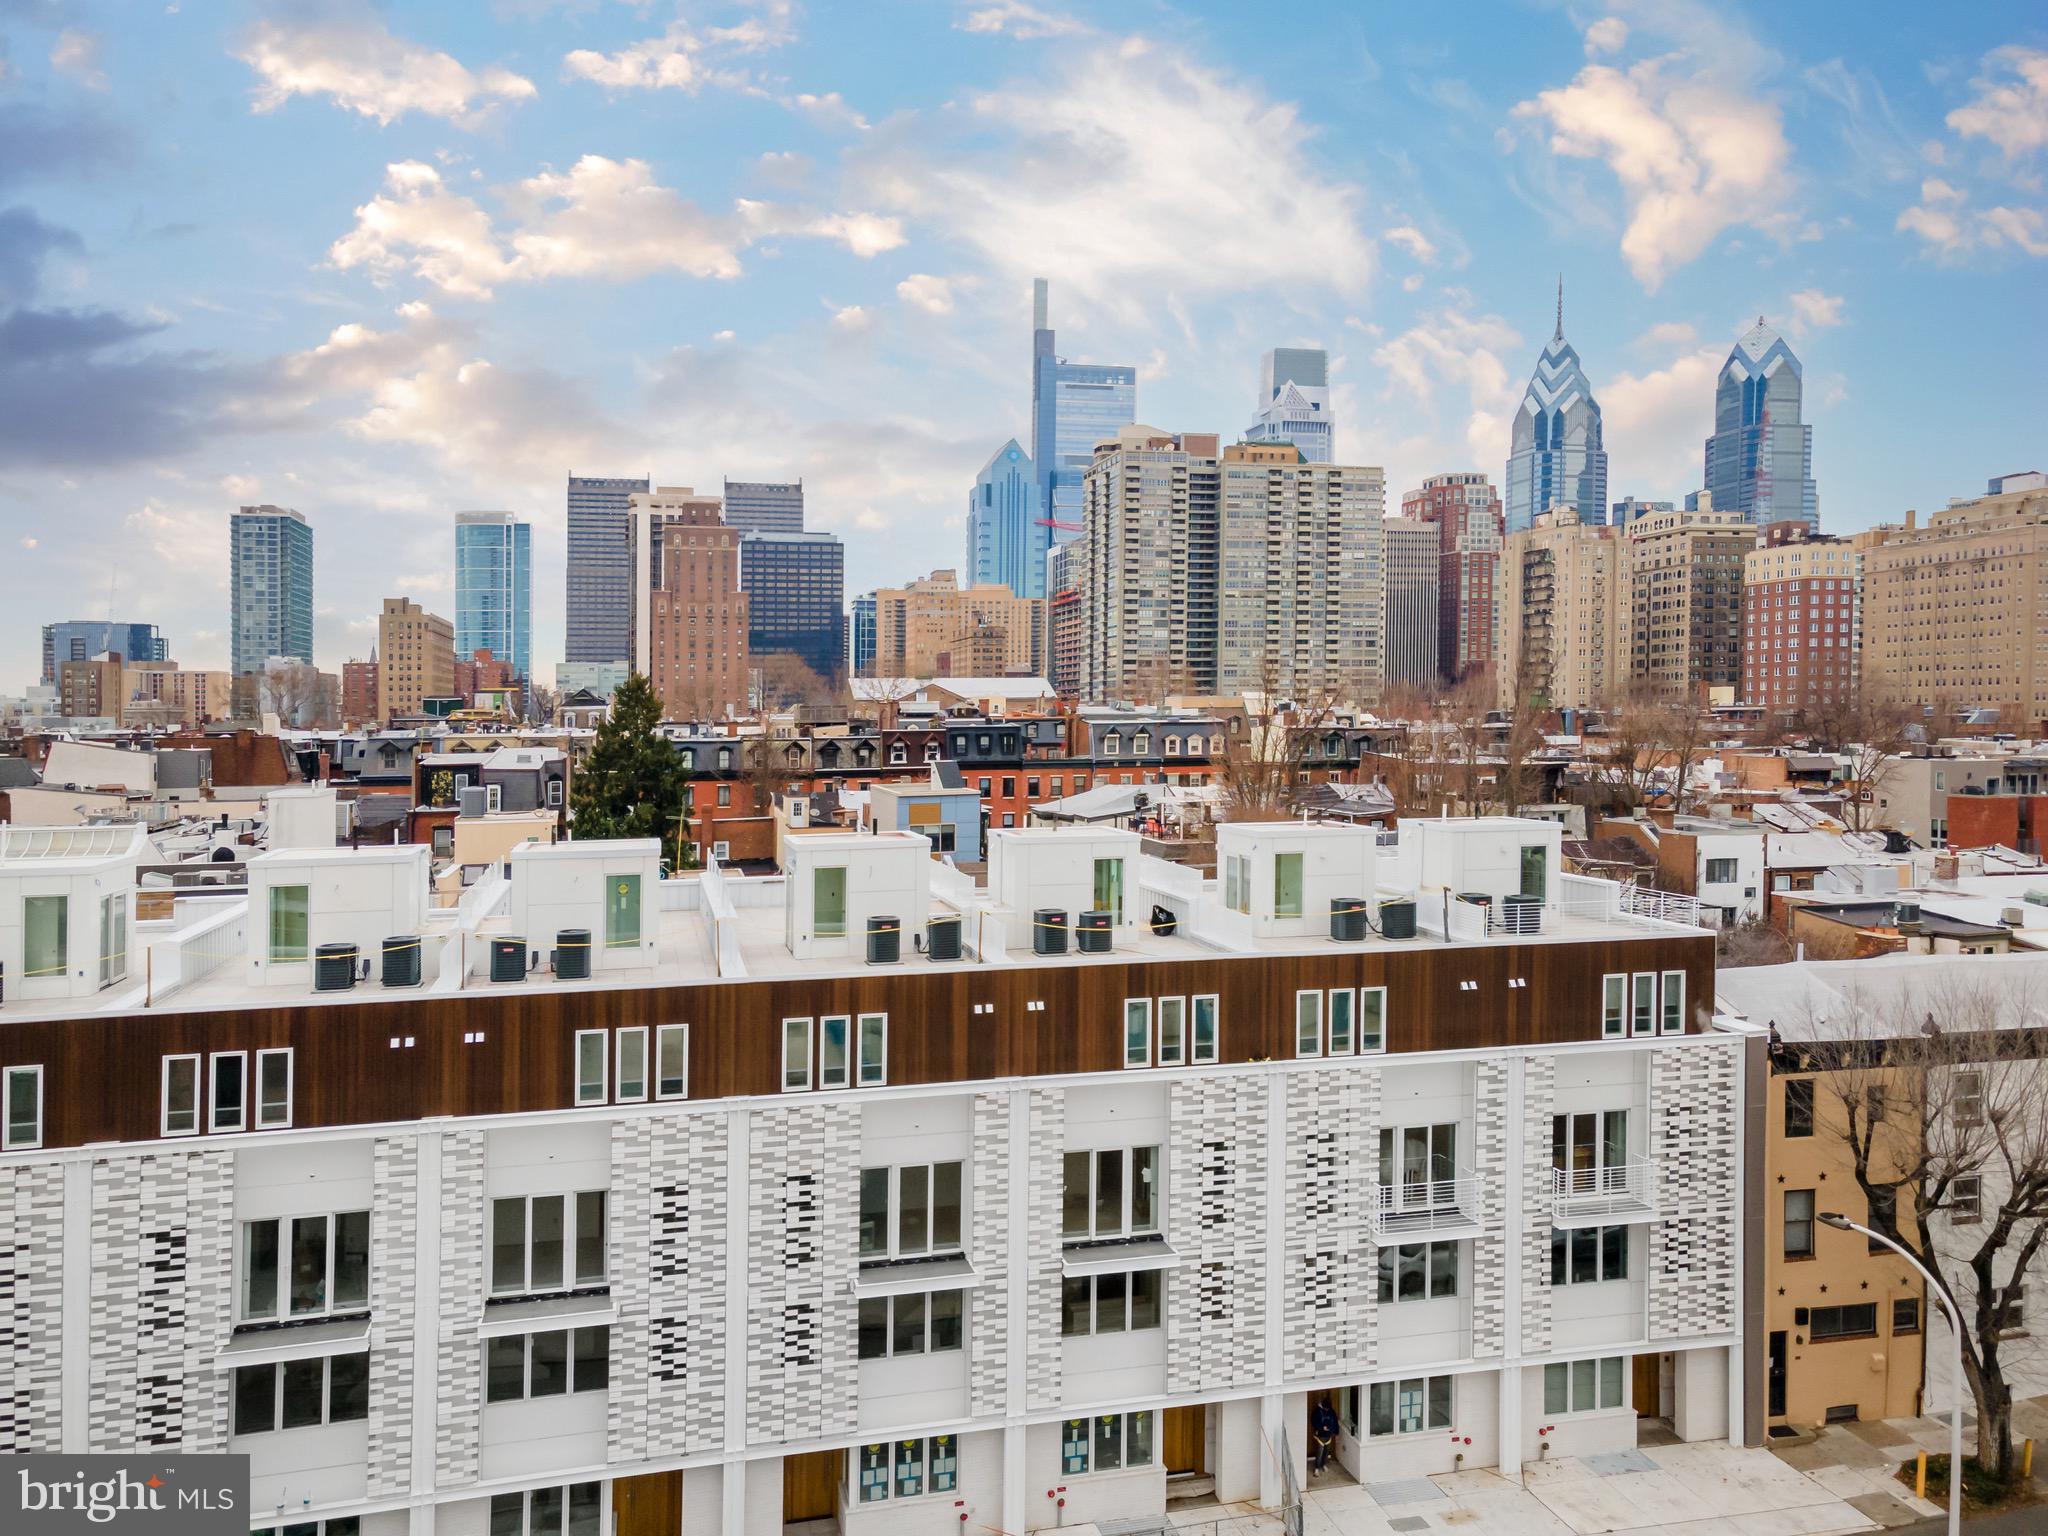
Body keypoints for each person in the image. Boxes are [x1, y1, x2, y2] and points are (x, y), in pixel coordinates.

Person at [1309, 1397, 1341, 1474]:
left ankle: (1323, 1465)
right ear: (1323, 1406)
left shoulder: (1331, 1411)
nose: (1327, 1410)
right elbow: (1313, 1422)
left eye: (1328, 1409)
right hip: (1320, 1435)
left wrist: (1336, 1432)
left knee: (1326, 1451)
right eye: (1326, 1408)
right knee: (1319, 1452)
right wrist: (1322, 1427)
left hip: (1329, 1435)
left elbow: (1335, 1422)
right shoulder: (1317, 1412)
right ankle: (1316, 1468)